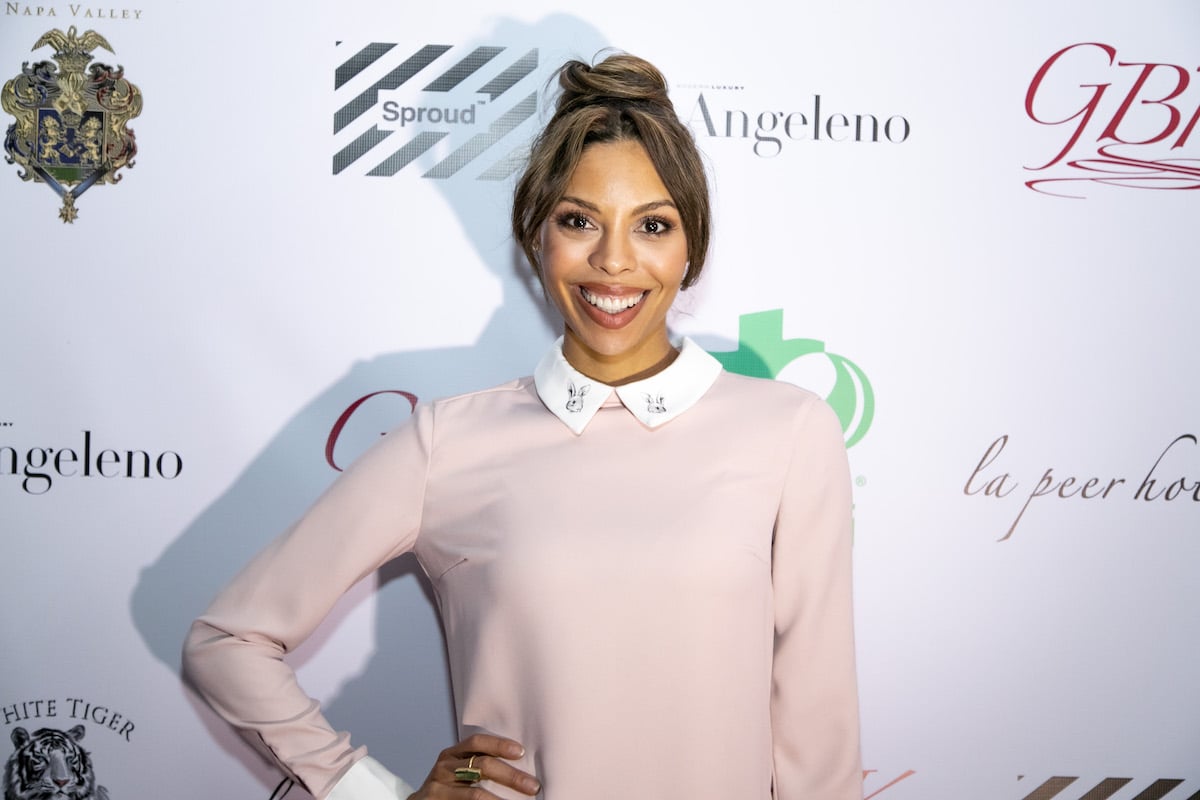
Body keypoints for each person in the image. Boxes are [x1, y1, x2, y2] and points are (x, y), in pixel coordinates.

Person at [183, 52, 861, 800]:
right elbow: (228, 640)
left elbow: (818, 739)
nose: (613, 261)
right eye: (579, 221)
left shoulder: (788, 432)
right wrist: (368, 791)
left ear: (690, 247)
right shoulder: (448, 442)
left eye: (652, 225)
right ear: (535, 236)